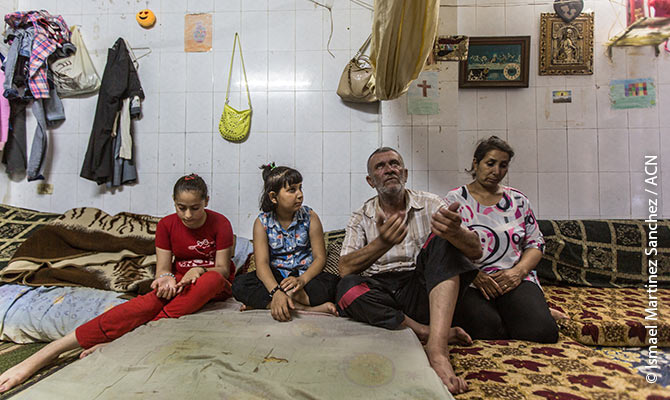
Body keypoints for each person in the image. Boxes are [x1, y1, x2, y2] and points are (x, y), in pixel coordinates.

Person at [0, 174, 235, 393]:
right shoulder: (166, 225)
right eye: (181, 208)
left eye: (195, 208)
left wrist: (199, 269)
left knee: (211, 280)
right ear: (173, 202)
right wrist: (166, 279)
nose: (187, 215)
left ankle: (123, 339)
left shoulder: (220, 223)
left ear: (206, 201)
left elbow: (222, 269)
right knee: (141, 306)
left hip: (212, 283)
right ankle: (46, 353)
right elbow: (163, 269)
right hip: (180, 287)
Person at [336, 147, 482, 394]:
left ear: (404, 173)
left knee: (443, 240)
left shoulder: (432, 203)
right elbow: (344, 269)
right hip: (381, 292)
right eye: (380, 167)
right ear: (370, 181)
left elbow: (476, 251)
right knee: (345, 290)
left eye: (394, 164)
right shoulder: (361, 217)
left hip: (422, 288)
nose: (389, 169)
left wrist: (456, 234)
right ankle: (425, 331)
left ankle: (437, 350)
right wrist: (381, 243)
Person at [447, 136, 560, 343]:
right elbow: (444, 247)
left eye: (503, 165)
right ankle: (513, 315)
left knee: (543, 333)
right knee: (487, 329)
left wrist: (518, 273)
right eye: (490, 163)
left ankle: (528, 312)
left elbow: (535, 243)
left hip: (513, 280)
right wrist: (473, 274)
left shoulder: (518, 200)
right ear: (476, 163)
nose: (496, 171)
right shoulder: (455, 200)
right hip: (472, 282)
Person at [232, 163, 338, 322]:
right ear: (274, 197)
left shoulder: (310, 217)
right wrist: (276, 291)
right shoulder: (262, 223)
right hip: (276, 277)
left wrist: (302, 280)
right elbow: (262, 263)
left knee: (333, 285)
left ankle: (270, 304)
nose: (300, 194)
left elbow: (320, 258)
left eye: (300, 188)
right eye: (292, 190)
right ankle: (297, 305)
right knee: (240, 285)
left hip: (304, 277)